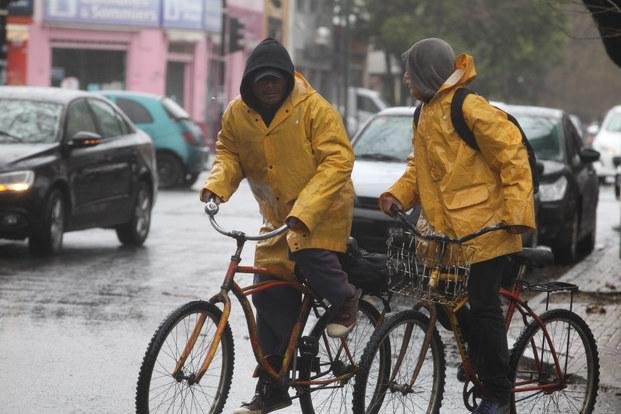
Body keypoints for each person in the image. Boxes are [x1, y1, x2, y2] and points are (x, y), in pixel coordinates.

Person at [200, 38, 360, 414]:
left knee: (313, 254)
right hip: (277, 219)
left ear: (287, 80)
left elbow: (338, 160)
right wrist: (216, 187)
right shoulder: (238, 115)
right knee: (269, 301)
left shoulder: (315, 109)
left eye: (276, 80)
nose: (270, 86)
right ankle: (273, 389)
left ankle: (345, 298)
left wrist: (305, 210)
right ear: (250, 84)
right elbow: (228, 153)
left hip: (324, 210)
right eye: (262, 81)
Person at [379, 38, 535, 414]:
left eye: (410, 72)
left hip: (488, 229)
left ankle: (497, 393)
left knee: (482, 307)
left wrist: (516, 215)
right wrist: (397, 194)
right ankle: (482, 358)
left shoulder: (469, 107)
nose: (404, 78)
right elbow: (420, 170)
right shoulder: (423, 113)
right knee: (447, 302)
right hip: (448, 236)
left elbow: (513, 157)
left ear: (427, 74)